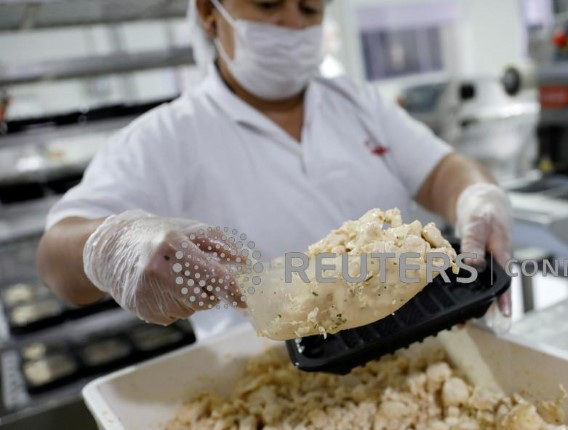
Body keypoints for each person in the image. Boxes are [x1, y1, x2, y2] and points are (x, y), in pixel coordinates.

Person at [36, 0, 513, 340]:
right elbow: (56, 260)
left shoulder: (357, 102)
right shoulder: (167, 136)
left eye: (309, 10)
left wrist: (478, 198)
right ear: (208, 12)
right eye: (268, 6)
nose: (291, 24)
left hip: (406, 338)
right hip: (266, 369)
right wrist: (111, 246)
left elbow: (441, 173)